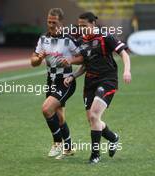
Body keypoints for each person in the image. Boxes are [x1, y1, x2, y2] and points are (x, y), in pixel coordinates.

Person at [61, 12, 131, 164]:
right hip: (90, 83)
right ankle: (113, 138)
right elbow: (86, 65)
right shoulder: (81, 41)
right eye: (80, 26)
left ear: (93, 24)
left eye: (84, 26)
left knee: (94, 115)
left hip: (107, 80)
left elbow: (124, 54)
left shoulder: (105, 37)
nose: (82, 29)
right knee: (93, 120)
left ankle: (95, 155)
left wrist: (127, 70)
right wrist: (73, 75)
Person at [30, 8, 80, 159]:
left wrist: (70, 60)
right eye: (49, 22)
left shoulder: (68, 40)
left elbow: (83, 58)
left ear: (61, 22)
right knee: (59, 117)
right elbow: (33, 62)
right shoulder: (42, 39)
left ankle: (57, 143)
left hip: (66, 81)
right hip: (51, 81)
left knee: (46, 109)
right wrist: (39, 58)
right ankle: (69, 147)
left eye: (54, 22)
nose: (51, 25)